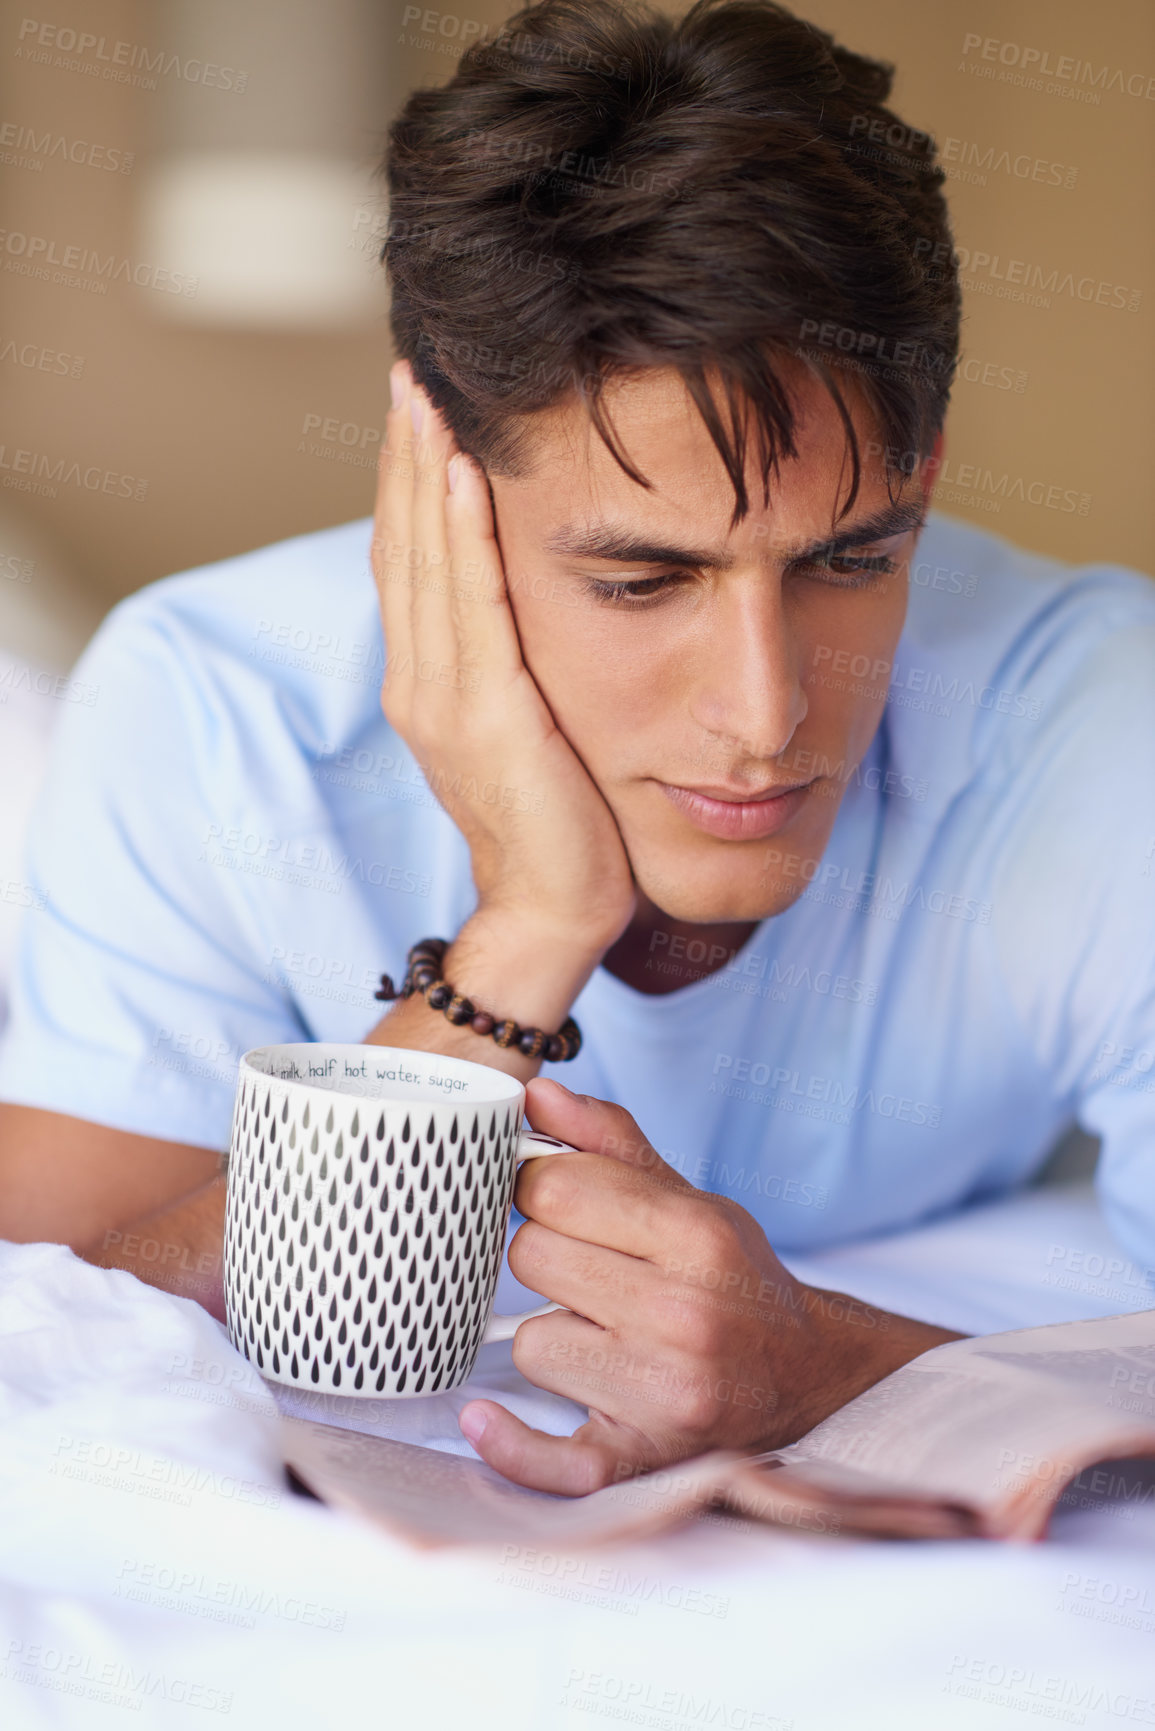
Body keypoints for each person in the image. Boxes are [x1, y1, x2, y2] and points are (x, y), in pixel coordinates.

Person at [1, 0, 1153, 1495]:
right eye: (640, 580)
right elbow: (65, 1320)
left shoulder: (1097, 709)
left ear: (923, 475)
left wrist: (827, 1364)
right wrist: (525, 930)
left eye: (853, 559)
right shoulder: (215, 705)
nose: (764, 714)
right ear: (445, 486)